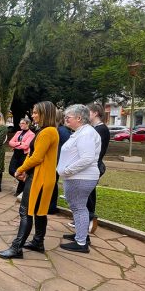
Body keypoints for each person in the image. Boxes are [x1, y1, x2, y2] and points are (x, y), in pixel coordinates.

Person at [0, 101, 59, 259]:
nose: (33, 115)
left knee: (26, 211)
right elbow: (35, 155)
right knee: (39, 212)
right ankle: (38, 242)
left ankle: (16, 248)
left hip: (40, 178)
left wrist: (20, 169)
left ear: (46, 113)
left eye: (36, 112)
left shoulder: (47, 132)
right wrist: (25, 169)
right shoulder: (48, 131)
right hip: (43, 176)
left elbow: (36, 157)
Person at [58, 104, 101, 253]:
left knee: (79, 207)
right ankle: (80, 235)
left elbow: (87, 158)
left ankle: (81, 242)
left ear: (79, 118)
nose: (65, 119)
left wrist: (68, 170)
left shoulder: (86, 133)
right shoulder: (81, 132)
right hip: (77, 177)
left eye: (68, 117)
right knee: (77, 207)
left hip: (81, 177)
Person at [83, 103, 109, 233]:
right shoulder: (95, 128)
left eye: (88, 112)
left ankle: (90, 220)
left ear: (95, 113)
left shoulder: (101, 129)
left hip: (93, 166)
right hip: (91, 165)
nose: (86, 115)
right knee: (87, 194)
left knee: (89, 194)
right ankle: (84, 220)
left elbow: (96, 151)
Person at [48, 109, 72, 213]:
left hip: (56, 161)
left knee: (52, 184)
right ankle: (50, 206)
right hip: (58, 161)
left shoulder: (60, 131)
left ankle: (51, 206)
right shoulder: (62, 130)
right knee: (52, 183)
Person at [8, 117, 35, 196]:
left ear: (27, 124)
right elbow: (10, 142)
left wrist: (16, 144)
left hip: (23, 155)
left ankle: (20, 191)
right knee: (11, 170)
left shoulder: (31, 134)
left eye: (23, 123)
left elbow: (26, 146)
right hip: (16, 153)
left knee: (21, 171)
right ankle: (23, 180)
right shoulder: (18, 132)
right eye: (20, 123)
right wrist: (20, 143)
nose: (21, 125)